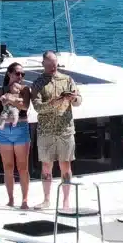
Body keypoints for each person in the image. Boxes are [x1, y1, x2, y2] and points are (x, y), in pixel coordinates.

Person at [32, 51, 82, 211]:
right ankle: (46, 199)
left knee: (65, 166)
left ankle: (66, 202)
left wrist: (73, 98)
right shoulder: (38, 84)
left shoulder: (67, 80)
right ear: (43, 64)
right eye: (49, 65)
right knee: (46, 166)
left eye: (55, 64)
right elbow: (38, 107)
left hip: (65, 130)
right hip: (46, 132)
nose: (53, 67)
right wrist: (55, 102)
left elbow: (79, 101)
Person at [0, 62, 33, 208]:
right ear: (9, 73)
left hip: (20, 128)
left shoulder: (25, 90)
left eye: (22, 74)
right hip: (3, 131)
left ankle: (25, 199)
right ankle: (10, 199)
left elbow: (25, 106)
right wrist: (3, 116)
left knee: (23, 167)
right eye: (17, 73)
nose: (20, 76)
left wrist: (12, 100)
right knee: (8, 166)